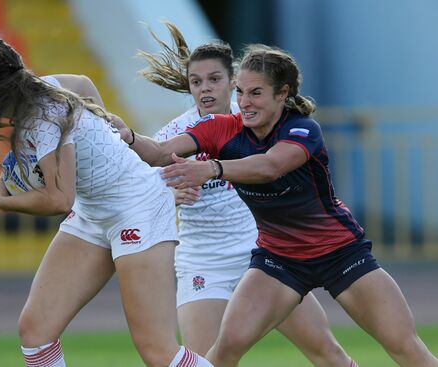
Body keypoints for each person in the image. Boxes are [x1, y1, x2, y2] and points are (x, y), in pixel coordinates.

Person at [113, 42, 438, 367]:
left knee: (404, 346)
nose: (244, 102)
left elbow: (269, 167)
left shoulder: (303, 129)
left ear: (282, 94)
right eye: (241, 92)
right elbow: (159, 152)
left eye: (255, 93)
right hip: (278, 261)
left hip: (339, 253)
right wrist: (128, 136)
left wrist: (212, 168)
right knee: (226, 347)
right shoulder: (220, 127)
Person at [0, 37, 214, 367]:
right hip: (93, 211)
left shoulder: (41, 118)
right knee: (35, 331)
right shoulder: (40, 88)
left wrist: (5, 202)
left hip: (137, 209)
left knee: (157, 351)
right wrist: (104, 134)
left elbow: (59, 200)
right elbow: (82, 84)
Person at [136, 22, 357, 367]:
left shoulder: (262, 121)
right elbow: (144, 189)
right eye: (196, 82)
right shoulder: (175, 134)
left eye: (214, 79)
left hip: (266, 255)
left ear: (234, 80)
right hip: (204, 262)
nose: (205, 89)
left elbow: (280, 164)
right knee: (209, 362)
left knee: (326, 351)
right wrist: (167, 196)